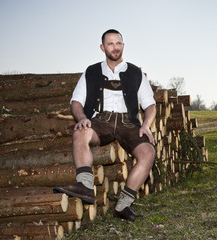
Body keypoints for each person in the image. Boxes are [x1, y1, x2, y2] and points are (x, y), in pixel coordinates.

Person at [54, 29, 156, 222]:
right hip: (101, 120)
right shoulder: (91, 71)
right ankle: (85, 186)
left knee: (148, 153)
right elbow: (75, 102)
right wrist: (82, 118)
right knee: (80, 134)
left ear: (123, 45)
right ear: (102, 47)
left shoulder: (136, 73)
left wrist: (146, 124)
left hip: (129, 122)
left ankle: (123, 205)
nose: (115, 47)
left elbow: (150, 104)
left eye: (118, 43)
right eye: (110, 44)